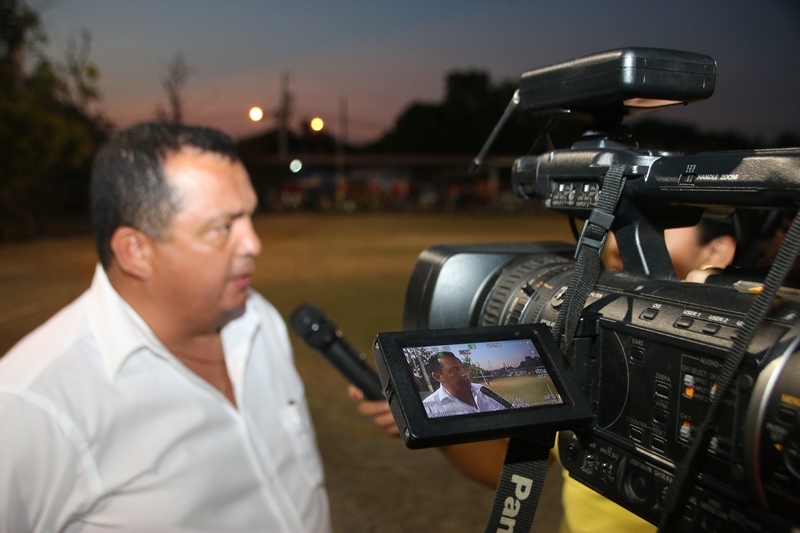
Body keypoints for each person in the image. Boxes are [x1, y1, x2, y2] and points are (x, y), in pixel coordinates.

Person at [0, 122, 331, 532]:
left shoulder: (258, 319)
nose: (253, 244)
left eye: (249, 216)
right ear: (136, 251)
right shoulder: (33, 405)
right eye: (222, 227)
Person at [352, 216, 739, 533]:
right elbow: (509, 464)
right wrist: (435, 421)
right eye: (620, 222)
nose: (618, 240)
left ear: (717, 252)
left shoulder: (749, 366)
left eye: (656, 221)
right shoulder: (586, 333)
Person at [422, 351, 508, 418]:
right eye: (454, 371)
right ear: (438, 377)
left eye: (463, 368)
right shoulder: (429, 409)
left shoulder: (482, 390)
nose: (464, 374)